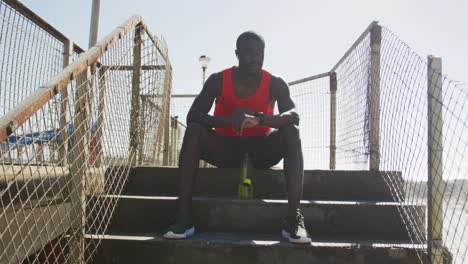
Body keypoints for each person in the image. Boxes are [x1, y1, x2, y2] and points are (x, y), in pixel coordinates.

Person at [163, 31, 310, 244]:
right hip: (226, 149)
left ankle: (294, 218)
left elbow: (294, 115)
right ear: (237, 54)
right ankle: (184, 215)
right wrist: (228, 120)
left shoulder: (275, 83)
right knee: (194, 130)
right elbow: (193, 115)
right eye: (249, 52)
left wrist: (260, 119)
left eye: (259, 52)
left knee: (291, 131)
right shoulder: (218, 80)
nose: (255, 57)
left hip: (261, 150)